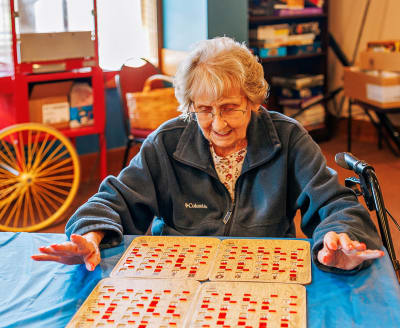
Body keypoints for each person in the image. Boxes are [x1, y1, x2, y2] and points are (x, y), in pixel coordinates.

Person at [32, 36, 384, 273]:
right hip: (176, 275)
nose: (218, 124)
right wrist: (90, 236)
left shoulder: (288, 138)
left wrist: (340, 239)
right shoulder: (167, 142)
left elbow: (336, 205)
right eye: (204, 109)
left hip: (260, 274)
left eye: (230, 108)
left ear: (253, 101)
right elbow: (113, 200)